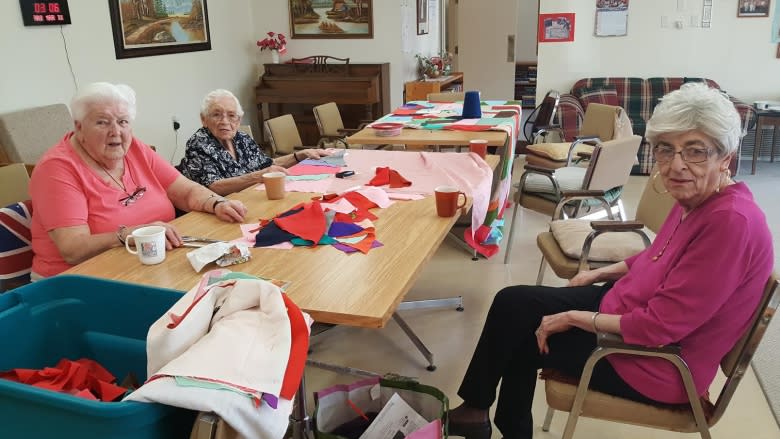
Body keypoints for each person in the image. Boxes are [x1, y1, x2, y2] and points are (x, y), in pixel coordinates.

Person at [447, 82, 774, 439]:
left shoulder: (730, 223)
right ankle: (476, 412)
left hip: (657, 364)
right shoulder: (699, 199)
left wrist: (574, 317)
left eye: (695, 151)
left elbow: (659, 328)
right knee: (512, 303)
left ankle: (499, 426)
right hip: (629, 305)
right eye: (666, 150)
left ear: (725, 156)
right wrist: (599, 273)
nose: (676, 165)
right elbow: (658, 253)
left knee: (523, 336)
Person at [29, 82, 248, 278]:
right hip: (78, 282)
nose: (116, 132)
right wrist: (129, 234)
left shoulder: (135, 148)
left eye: (123, 122)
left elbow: (185, 190)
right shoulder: (57, 169)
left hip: (150, 266)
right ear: (79, 127)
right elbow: (73, 249)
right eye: (102, 123)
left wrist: (217, 203)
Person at [178, 89, 330, 195]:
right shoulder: (198, 144)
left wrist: (299, 156)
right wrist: (258, 176)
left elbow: (266, 164)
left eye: (231, 115)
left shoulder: (242, 138)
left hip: (249, 198)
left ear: (239, 120)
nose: (224, 121)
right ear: (203, 119)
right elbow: (213, 186)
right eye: (216, 115)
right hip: (220, 209)